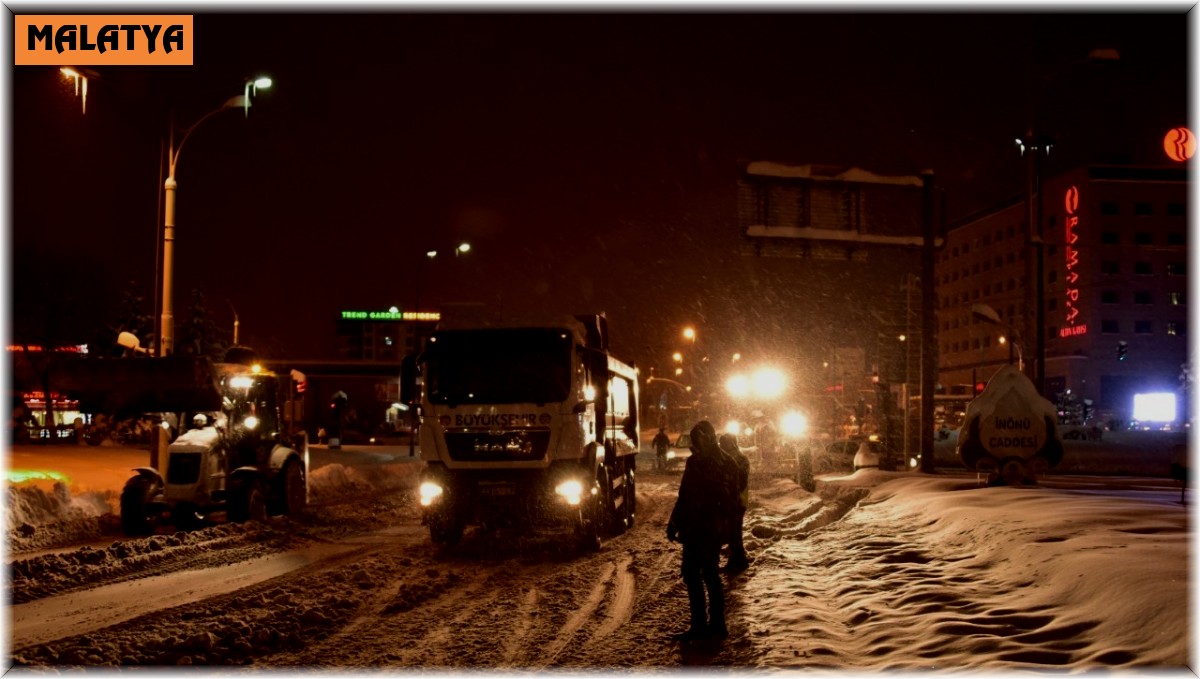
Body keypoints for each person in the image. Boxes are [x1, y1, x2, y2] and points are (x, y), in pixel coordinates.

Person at [667, 420, 740, 641]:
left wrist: (676, 523)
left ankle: (708, 624)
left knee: (701, 573)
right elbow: (686, 495)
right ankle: (709, 624)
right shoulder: (724, 463)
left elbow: (689, 496)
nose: (695, 444)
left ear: (706, 438)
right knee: (702, 573)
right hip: (704, 528)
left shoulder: (706, 463)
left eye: (697, 439)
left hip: (703, 528)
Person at [718, 433, 751, 573]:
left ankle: (739, 562)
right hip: (735, 501)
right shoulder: (736, 458)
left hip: (737, 501)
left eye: (723, 444)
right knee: (734, 532)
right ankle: (737, 560)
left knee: (734, 532)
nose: (721, 447)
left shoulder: (738, 459)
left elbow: (740, 482)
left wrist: (731, 494)